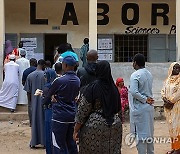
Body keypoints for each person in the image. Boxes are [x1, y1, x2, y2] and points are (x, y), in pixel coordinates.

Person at [74, 60, 122, 154]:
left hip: (95, 127)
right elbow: (119, 110)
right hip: (115, 126)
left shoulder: (92, 88)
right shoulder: (115, 89)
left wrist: (76, 130)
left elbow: (82, 111)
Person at [43, 56, 80, 154]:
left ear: (66, 65)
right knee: (71, 143)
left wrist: (49, 99)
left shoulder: (59, 80)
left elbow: (47, 97)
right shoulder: (77, 80)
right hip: (72, 115)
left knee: (58, 144)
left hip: (59, 117)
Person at [129, 53, 154, 154]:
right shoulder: (149, 73)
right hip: (149, 108)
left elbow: (134, 92)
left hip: (140, 108)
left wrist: (144, 99)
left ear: (135, 63)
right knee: (149, 134)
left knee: (141, 136)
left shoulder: (135, 75)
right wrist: (147, 99)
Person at [24, 59, 46, 148]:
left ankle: (33, 142)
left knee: (34, 123)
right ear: (43, 65)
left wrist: (30, 102)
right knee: (43, 122)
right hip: (44, 102)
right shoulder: (45, 75)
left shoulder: (30, 76)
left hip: (34, 102)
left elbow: (28, 91)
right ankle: (44, 142)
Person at [161, 62, 180, 154]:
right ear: (171, 69)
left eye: (178, 68)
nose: (177, 70)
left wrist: (171, 101)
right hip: (168, 108)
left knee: (177, 127)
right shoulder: (167, 80)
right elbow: (162, 91)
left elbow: (179, 93)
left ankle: (178, 149)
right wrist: (165, 99)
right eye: (175, 68)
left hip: (176, 107)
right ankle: (174, 147)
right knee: (171, 127)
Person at [43, 60, 58, 154]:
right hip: (57, 112)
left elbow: (45, 101)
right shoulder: (58, 84)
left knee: (49, 133)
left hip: (49, 111)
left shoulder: (47, 87)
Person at [22, 58, 37, 126]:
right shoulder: (38, 70)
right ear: (35, 63)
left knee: (30, 105)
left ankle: (31, 122)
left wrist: (27, 87)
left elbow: (23, 82)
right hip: (37, 90)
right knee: (38, 105)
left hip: (29, 91)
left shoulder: (26, 71)